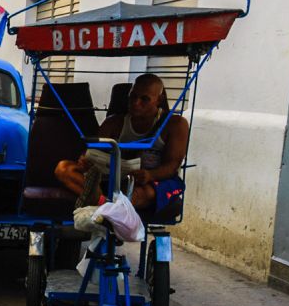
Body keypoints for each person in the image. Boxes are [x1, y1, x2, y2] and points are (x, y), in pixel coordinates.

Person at [54, 73, 189, 209]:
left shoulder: (175, 124)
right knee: (63, 168)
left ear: (159, 100)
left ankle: (104, 207)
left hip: (148, 180)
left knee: (139, 193)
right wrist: (85, 161)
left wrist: (150, 175)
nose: (136, 103)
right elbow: (93, 153)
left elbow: (172, 166)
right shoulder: (113, 122)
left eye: (144, 99)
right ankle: (105, 206)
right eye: (133, 97)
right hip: (111, 179)